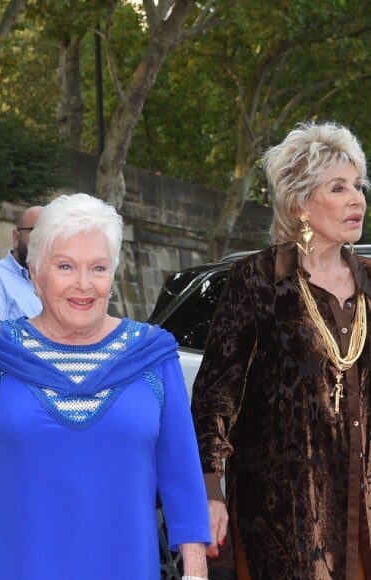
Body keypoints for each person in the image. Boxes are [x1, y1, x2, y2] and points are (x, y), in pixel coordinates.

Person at [0, 193, 210, 580]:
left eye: (98, 268)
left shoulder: (153, 356)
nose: (83, 285)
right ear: (35, 273)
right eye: (65, 266)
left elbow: (181, 471)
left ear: (112, 276)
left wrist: (195, 571)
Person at [190, 121, 371, 580]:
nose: (357, 199)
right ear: (301, 203)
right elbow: (215, 398)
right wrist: (210, 491)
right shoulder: (257, 281)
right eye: (338, 188)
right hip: (285, 519)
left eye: (358, 185)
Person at [0, 205, 43, 319]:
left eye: (52, 234)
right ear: (16, 238)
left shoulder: (61, 281)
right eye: (37, 232)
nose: (45, 240)